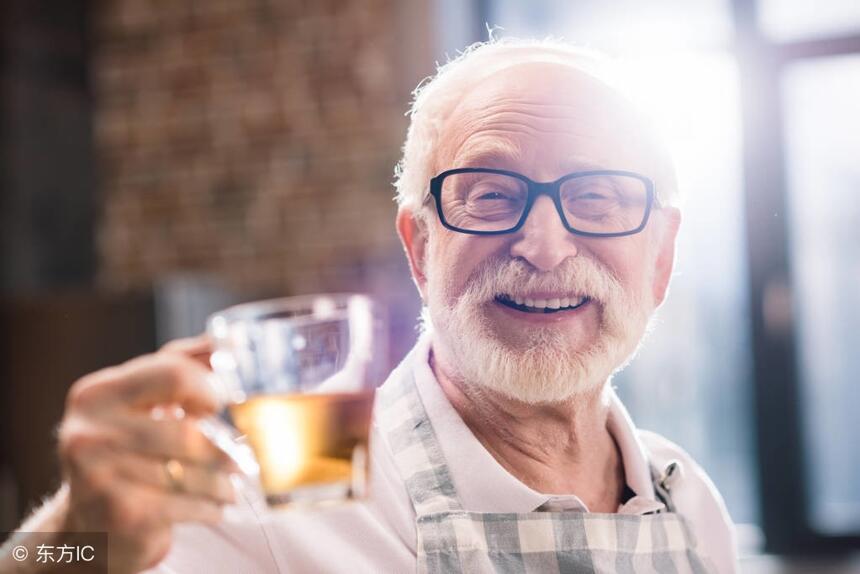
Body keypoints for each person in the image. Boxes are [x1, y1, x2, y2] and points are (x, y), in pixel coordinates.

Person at [2, 39, 738, 573]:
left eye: (596, 197)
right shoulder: (285, 489)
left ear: (662, 259)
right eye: (490, 195)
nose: (543, 245)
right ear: (419, 248)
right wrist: (73, 534)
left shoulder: (691, 503)